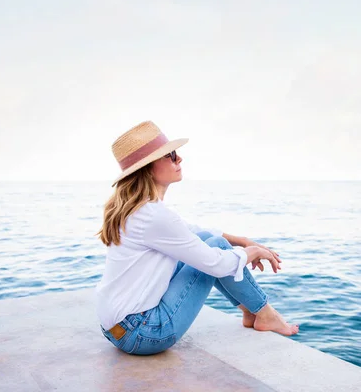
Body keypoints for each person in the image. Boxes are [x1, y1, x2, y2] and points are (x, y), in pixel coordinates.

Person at [95, 120, 299, 355]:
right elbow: (216, 263)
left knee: (210, 241)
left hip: (116, 327)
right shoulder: (154, 215)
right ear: (149, 167)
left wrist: (242, 241)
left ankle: (251, 311)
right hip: (143, 333)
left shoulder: (139, 210)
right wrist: (253, 252)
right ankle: (264, 314)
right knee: (216, 254)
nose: (179, 159)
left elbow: (191, 231)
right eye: (170, 155)